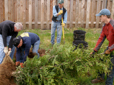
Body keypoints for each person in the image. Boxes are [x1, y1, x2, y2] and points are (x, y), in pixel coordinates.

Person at [91, 9, 114, 85]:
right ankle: (100, 77)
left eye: (100, 16)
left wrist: (110, 49)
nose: (100, 18)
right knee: (101, 59)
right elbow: (101, 38)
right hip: (111, 47)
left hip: (112, 48)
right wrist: (95, 51)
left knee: (110, 67)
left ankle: (108, 83)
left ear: (105, 16)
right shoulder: (105, 26)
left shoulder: (113, 25)